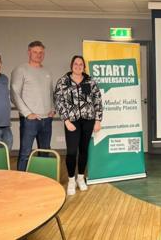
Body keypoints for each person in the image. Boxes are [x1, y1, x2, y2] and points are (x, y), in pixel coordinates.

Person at [54, 55, 103, 195]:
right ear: (71, 66)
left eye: (81, 64)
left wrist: (98, 120)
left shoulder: (90, 81)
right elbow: (58, 101)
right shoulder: (63, 81)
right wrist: (66, 120)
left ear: (84, 67)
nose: (78, 66)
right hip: (72, 121)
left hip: (88, 120)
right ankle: (71, 180)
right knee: (71, 152)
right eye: (75, 64)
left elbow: (97, 100)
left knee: (83, 151)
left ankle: (80, 178)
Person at [11, 41, 54, 171]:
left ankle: (44, 180)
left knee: (45, 152)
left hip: (47, 120)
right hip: (30, 120)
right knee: (25, 153)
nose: (38, 55)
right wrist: (27, 114)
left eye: (41, 52)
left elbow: (50, 92)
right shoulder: (21, 70)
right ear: (29, 52)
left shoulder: (47, 71)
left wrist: (52, 109)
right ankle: (21, 181)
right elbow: (14, 94)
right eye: (35, 52)